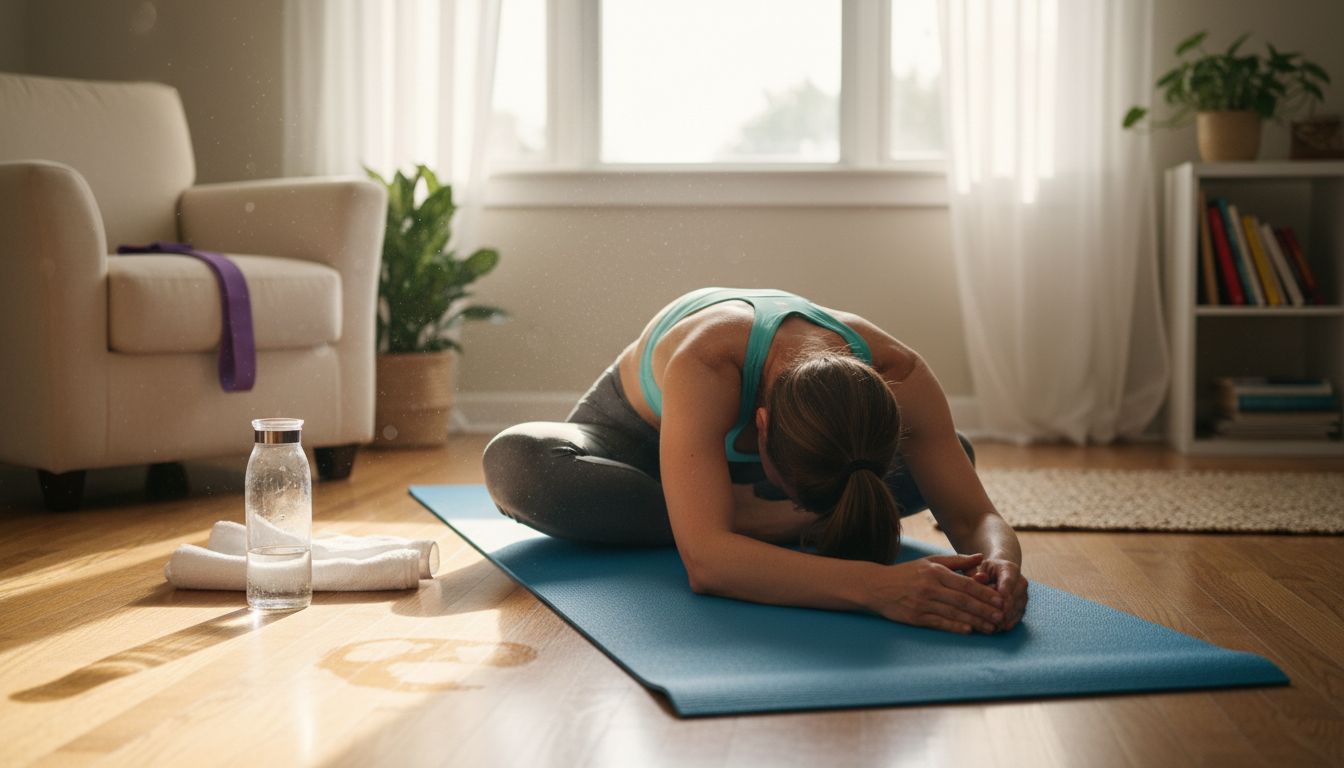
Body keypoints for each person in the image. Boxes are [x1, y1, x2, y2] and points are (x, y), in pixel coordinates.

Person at [483, 287, 1027, 634]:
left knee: (959, 455)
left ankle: (737, 522)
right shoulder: (710, 360)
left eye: (809, 504)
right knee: (519, 464)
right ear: (760, 428)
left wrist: (1000, 566)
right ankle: (743, 523)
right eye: (802, 496)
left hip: (745, 491)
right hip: (633, 448)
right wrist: (879, 588)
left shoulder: (899, 373)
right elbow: (708, 567)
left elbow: (973, 514)